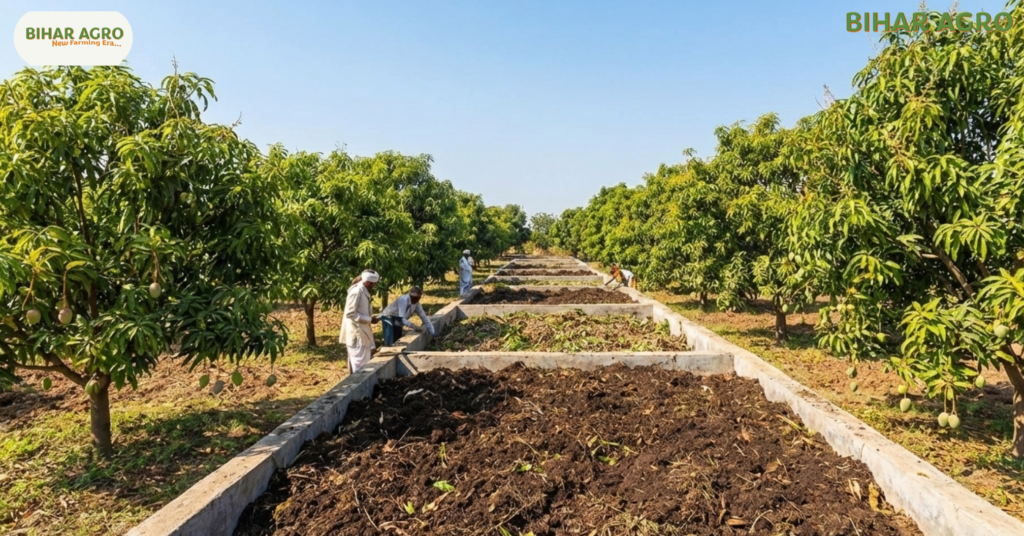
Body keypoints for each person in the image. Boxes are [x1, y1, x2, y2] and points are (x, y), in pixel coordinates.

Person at [340, 269, 380, 374]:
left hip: (363, 332)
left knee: (363, 364)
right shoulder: (356, 292)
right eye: (372, 284)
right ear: (368, 282)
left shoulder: (363, 291)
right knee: (359, 366)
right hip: (357, 334)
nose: (373, 287)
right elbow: (350, 314)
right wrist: (370, 320)